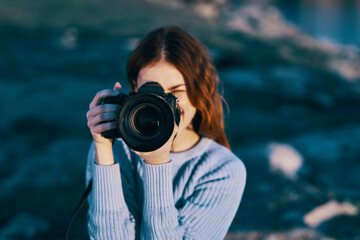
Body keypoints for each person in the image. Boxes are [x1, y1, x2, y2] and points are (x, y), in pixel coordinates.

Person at [85, 26, 246, 240]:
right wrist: (103, 149)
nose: (163, 104)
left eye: (176, 91)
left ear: (200, 91)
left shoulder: (223, 170)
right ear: (133, 92)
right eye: (152, 92)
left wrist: (157, 164)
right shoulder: (115, 150)